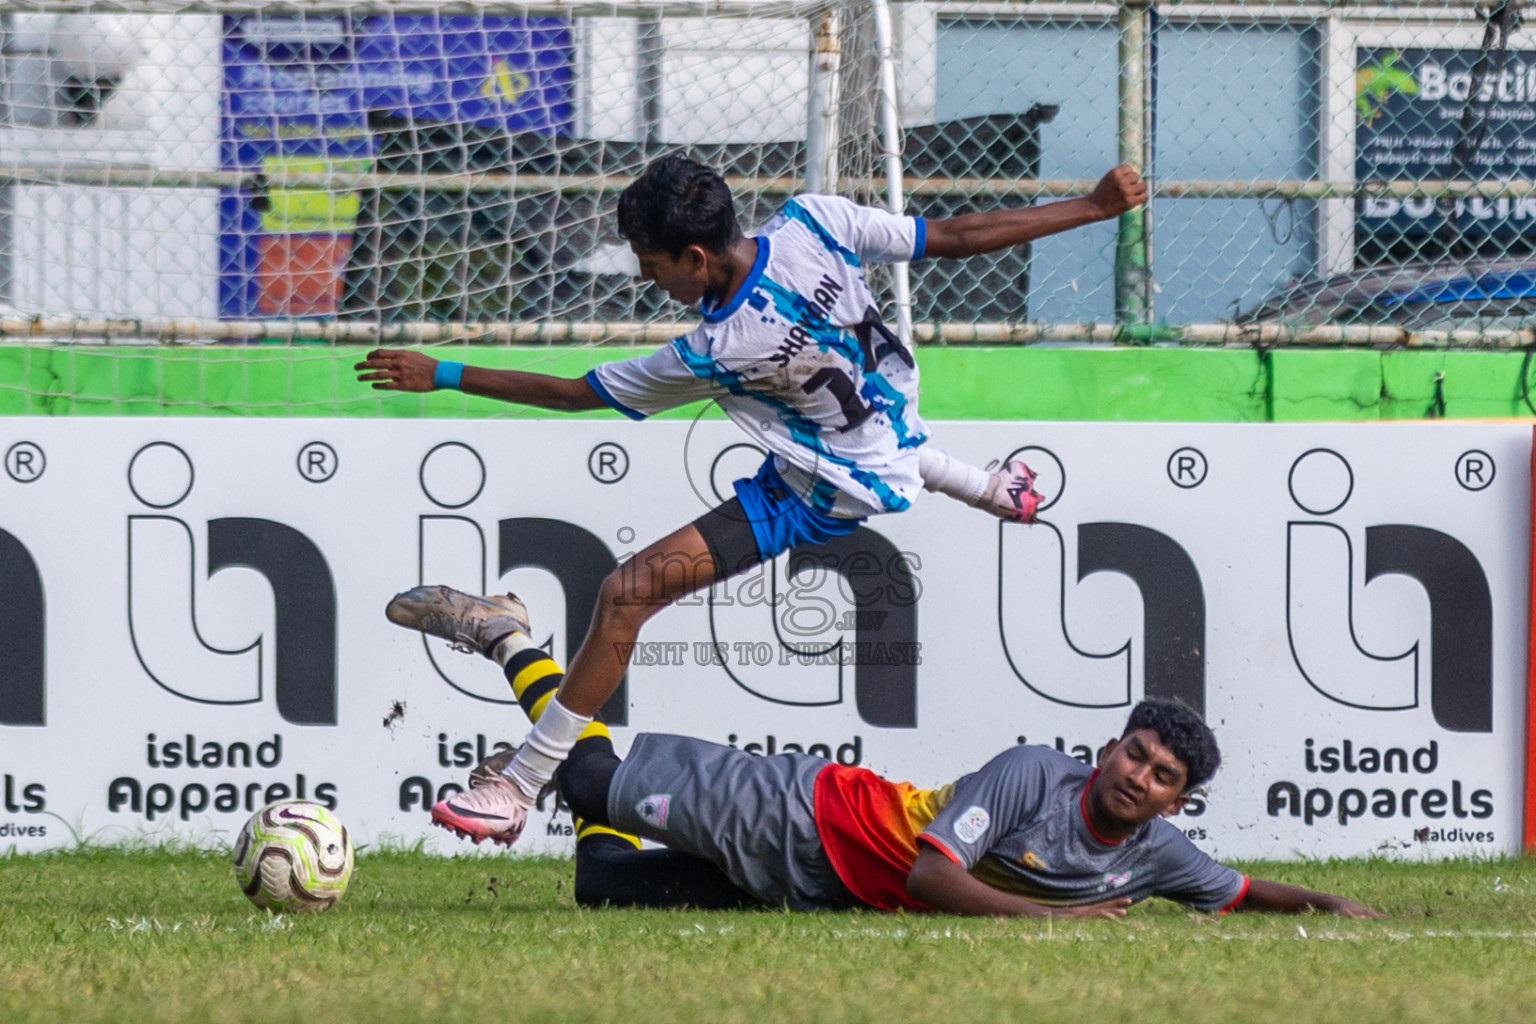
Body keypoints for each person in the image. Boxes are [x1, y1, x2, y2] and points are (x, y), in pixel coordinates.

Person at [359, 152, 1150, 846]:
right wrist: (1093, 207)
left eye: (649, 260)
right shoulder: (818, 222)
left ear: (695, 257)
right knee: (873, 442)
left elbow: (574, 394)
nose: (645, 276)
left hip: (818, 492)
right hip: (879, 424)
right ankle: (979, 482)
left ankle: (517, 785)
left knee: (624, 596)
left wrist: (447, 373)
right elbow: (955, 237)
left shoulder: (713, 350)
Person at [388, 590, 1383, 919]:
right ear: (1108, 748)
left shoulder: (1154, 855)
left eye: (1162, 775)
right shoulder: (1039, 772)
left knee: (605, 886)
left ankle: (518, 668)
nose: (1138, 774)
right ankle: (508, 636)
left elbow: (1238, 889)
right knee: (590, 773)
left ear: (1173, 802)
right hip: (812, 816)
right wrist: (1045, 922)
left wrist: (1328, 903)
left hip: (829, 891)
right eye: (1134, 753)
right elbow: (930, 868)